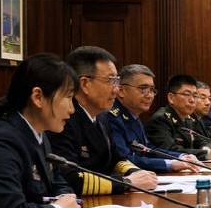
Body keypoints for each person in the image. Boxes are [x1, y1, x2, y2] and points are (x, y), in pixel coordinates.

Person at [48, 46, 158, 196]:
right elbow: (70, 177)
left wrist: (137, 173)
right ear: (85, 84)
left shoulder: (101, 116)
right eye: (111, 80)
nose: (116, 89)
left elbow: (116, 159)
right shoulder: (63, 118)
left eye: (117, 81)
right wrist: (126, 182)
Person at [0, 54, 81, 208]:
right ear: (38, 97)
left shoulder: (39, 134)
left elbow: (56, 180)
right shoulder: (3, 140)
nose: (72, 109)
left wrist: (65, 197)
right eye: (67, 96)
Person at [104, 64, 200, 173]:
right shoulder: (111, 118)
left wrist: (181, 157)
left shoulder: (133, 116)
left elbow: (148, 149)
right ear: (121, 91)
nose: (149, 95)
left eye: (152, 90)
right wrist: (170, 164)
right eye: (143, 89)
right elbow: (123, 159)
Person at [145, 74, 211, 161]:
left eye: (195, 96)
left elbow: (201, 140)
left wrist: (206, 147)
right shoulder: (160, 120)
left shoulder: (188, 119)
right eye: (187, 94)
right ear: (171, 98)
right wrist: (207, 154)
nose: (192, 100)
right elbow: (170, 151)